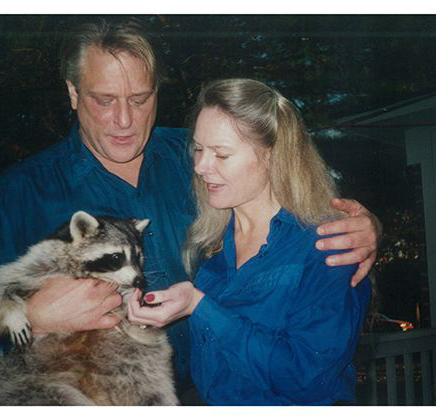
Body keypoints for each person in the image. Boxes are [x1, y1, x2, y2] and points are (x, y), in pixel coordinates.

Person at [0, 20, 380, 399]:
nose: (125, 120)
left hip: (213, 395)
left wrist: (366, 227)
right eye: (104, 100)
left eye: (140, 98)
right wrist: (32, 322)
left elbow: (286, 190)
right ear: (73, 93)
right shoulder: (19, 196)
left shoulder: (198, 161)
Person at [127, 78, 371, 405]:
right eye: (198, 149)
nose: (200, 166)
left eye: (221, 154)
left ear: (272, 155)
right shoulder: (209, 241)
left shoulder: (329, 244)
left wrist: (199, 307)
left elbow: (308, 379)